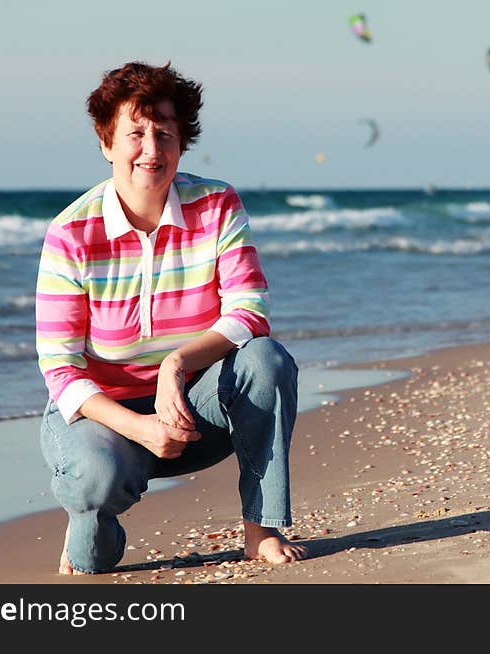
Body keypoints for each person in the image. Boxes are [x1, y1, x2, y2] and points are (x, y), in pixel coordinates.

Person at [35, 60, 306, 575]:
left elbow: (250, 312)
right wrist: (137, 426)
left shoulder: (216, 204)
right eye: (135, 133)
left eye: (165, 133)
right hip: (106, 419)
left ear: (183, 141)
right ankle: (89, 512)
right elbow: (61, 370)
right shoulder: (71, 233)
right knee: (92, 542)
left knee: (266, 361)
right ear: (106, 142)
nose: (152, 149)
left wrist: (176, 365)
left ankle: (262, 528)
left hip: (197, 412)